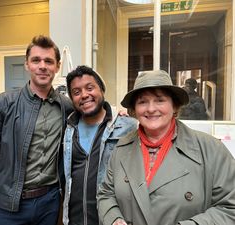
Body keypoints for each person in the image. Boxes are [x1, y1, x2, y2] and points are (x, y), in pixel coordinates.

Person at [97, 70, 235, 225]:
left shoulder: (211, 149)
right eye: (142, 102)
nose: (150, 109)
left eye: (159, 100)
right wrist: (114, 218)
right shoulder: (121, 148)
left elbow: (230, 207)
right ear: (134, 110)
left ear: (174, 106)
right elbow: (106, 193)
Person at [0, 35, 73, 225]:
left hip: (49, 203)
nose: (42, 66)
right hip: (9, 206)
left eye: (49, 61)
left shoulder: (66, 107)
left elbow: (91, 113)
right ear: (27, 65)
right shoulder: (1, 104)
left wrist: (121, 114)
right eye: (36, 60)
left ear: (57, 66)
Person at [62, 65, 137, 225]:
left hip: (111, 219)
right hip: (74, 219)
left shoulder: (128, 126)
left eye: (90, 88)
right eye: (76, 92)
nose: (84, 95)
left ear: (102, 90)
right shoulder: (68, 128)